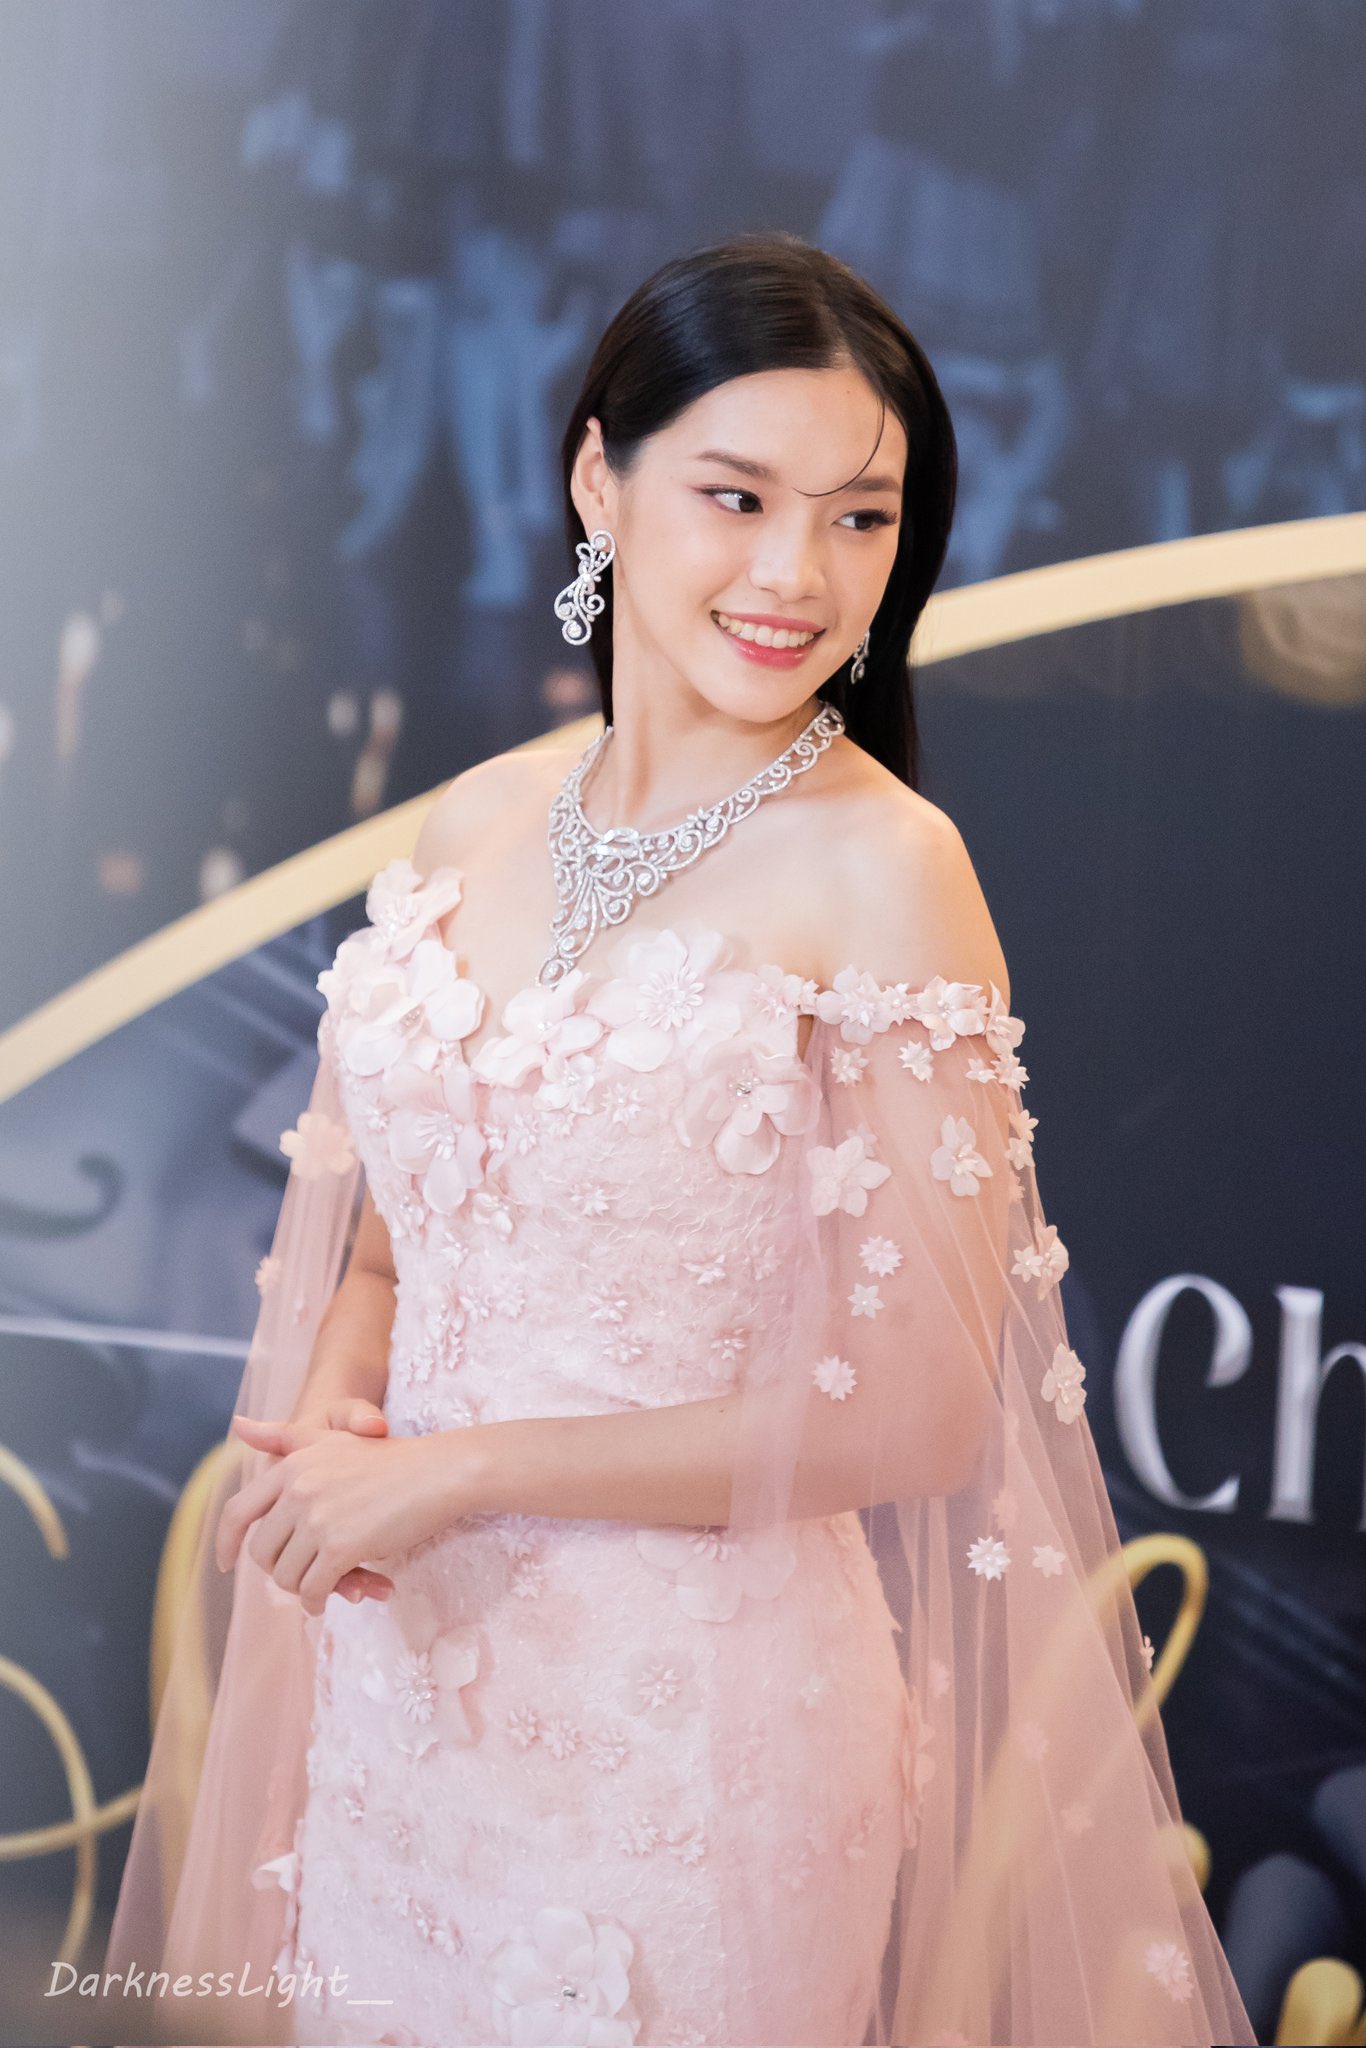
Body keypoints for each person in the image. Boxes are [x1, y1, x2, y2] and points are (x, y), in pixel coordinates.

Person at [104, 231, 1258, 2047]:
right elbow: (395, 1252)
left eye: (860, 518)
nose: (798, 572)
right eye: (737, 496)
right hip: (407, 1696)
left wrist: (457, 1472)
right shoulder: (471, 822)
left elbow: (913, 1416)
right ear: (600, 481)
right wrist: (341, 1418)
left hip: (695, 1748)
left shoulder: (885, 868)